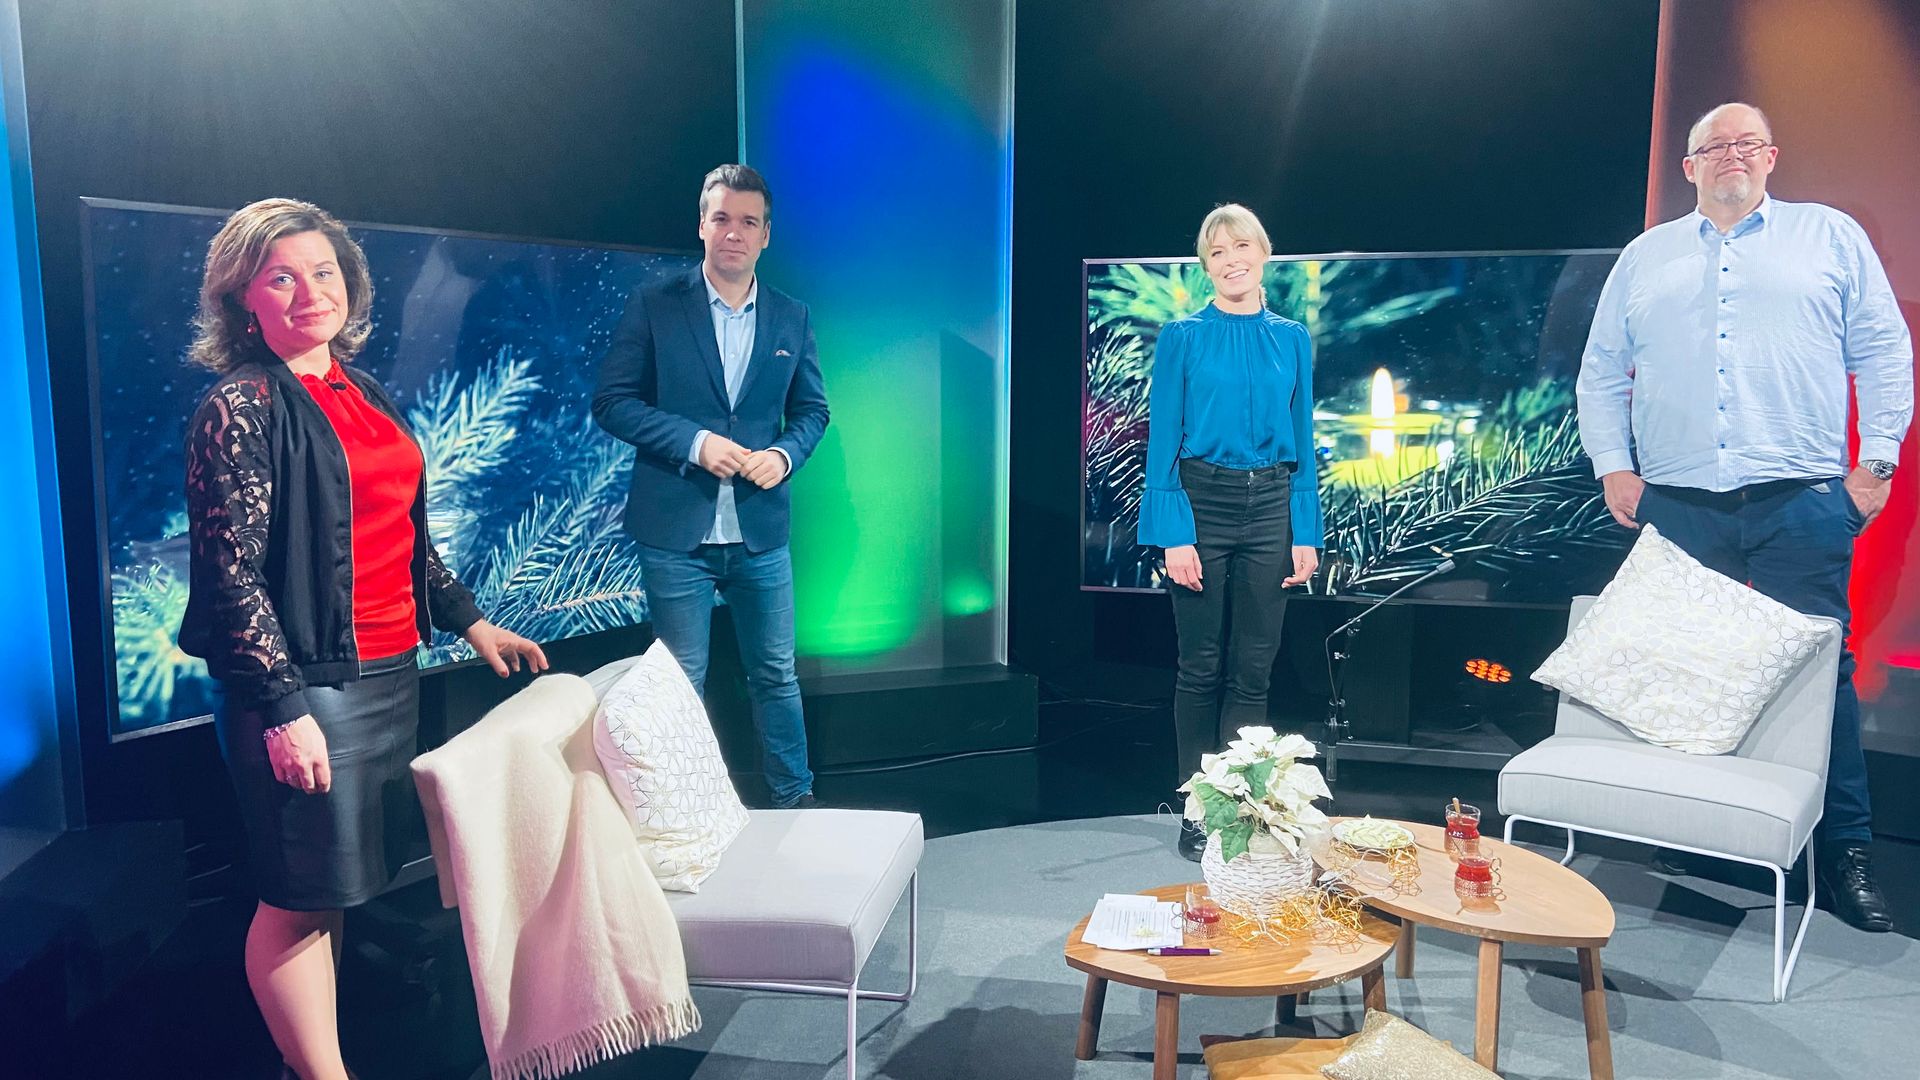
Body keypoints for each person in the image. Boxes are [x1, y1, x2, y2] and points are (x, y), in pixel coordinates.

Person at [179, 198, 548, 1080]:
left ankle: (310, 1060)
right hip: (304, 690)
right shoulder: (239, 406)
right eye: (281, 277)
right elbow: (230, 575)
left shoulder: (361, 390)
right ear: (242, 298)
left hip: (388, 676)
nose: (311, 291)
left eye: (324, 272)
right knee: (296, 902)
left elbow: (406, 535)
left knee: (329, 892)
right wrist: (282, 710)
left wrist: (470, 620)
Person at [1577, 103, 1913, 932]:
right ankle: (1688, 839)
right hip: (1678, 502)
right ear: (1688, 167)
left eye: (1745, 143)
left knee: (1818, 677)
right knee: (1682, 669)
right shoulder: (1646, 257)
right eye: (1712, 146)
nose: (1731, 154)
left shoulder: (1827, 237)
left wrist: (1876, 464)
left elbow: (1883, 348)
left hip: (1801, 499)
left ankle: (1846, 854)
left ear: (1771, 156)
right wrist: (1614, 464)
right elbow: (1602, 369)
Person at [592, 164, 831, 809]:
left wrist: (783, 455)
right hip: (676, 534)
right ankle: (686, 814)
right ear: (702, 225)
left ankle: (794, 800)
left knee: (776, 675)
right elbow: (612, 402)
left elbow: (812, 412)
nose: (734, 232)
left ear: (765, 236)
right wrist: (695, 443)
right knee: (679, 684)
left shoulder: (791, 316)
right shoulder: (655, 305)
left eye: (748, 222)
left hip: (760, 532)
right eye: (722, 218)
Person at [1138, 203, 1325, 861]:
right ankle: (1198, 809)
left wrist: (1305, 532)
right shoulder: (1182, 337)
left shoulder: (1292, 338)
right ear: (1206, 266)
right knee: (1201, 667)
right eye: (1217, 252)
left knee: (1253, 671)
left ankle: (1240, 808)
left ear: (1263, 254)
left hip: (1272, 503)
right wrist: (1174, 534)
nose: (1231, 260)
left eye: (1241, 247)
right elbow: (1163, 436)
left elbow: (1302, 436)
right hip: (1201, 503)